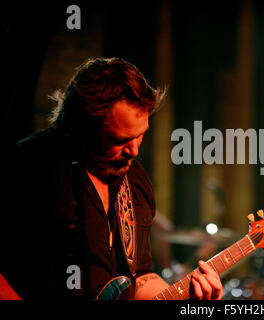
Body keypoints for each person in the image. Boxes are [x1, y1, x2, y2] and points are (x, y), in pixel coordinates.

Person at [0, 57, 223, 300]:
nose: (134, 150)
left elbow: (140, 278)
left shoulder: (135, 180)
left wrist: (190, 297)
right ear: (83, 127)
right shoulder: (23, 166)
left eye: (139, 136)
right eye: (120, 140)